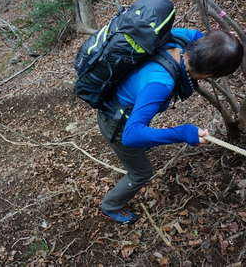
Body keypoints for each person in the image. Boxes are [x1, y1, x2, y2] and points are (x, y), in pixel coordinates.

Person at [98, 29, 244, 224]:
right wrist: (183, 133)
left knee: (141, 128)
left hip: (129, 105)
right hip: (117, 123)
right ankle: (110, 206)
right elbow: (131, 135)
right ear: (209, 75)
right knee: (142, 173)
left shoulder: (185, 40)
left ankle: (143, 144)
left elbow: (208, 43)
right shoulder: (160, 83)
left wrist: (225, 41)